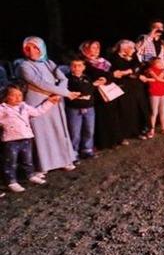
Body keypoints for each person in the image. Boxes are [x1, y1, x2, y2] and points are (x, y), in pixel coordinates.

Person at [15, 37, 79, 174]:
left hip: (55, 100)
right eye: (28, 48)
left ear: (41, 49)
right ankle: (44, 164)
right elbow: (39, 83)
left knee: (58, 129)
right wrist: (66, 93)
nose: (31, 51)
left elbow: (63, 78)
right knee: (42, 132)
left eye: (35, 47)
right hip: (37, 101)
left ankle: (63, 159)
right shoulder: (24, 66)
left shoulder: (49, 63)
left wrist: (60, 93)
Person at [1, 85, 61, 192]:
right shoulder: (3, 109)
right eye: (13, 95)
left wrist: (49, 102)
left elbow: (37, 112)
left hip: (26, 137)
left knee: (27, 159)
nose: (18, 98)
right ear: (6, 97)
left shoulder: (24, 106)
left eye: (20, 95)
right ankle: (11, 181)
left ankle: (30, 175)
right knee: (11, 162)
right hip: (11, 140)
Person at [80, 40, 126, 149]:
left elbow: (112, 74)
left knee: (113, 115)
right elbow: (97, 75)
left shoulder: (104, 62)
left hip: (110, 91)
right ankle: (104, 142)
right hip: (98, 94)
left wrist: (109, 76)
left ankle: (116, 138)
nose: (96, 50)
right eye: (93, 48)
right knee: (102, 118)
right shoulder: (85, 63)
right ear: (86, 50)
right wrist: (110, 75)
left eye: (98, 48)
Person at [111, 39, 151, 138]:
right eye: (131, 48)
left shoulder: (133, 56)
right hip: (125, 87)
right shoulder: (114, 57)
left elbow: (138, 68)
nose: (134, 50)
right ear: (124, 49)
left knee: (139, 108)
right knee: (128, 110)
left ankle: (140, 130)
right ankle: (126, 133)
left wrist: (129, 71)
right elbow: (117, 72)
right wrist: (130, 71)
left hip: (136, 85)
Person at [65, 59, 96, 161]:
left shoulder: (87, 78)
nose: (77, 68)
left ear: (84, 67)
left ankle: (87, 150)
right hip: (74, 109)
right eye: (74, 66)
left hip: (89, 108)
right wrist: (82, 93)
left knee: (89, 130)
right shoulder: (67, 79)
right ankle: (74, 152)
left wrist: (81, 93)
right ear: (70, 67)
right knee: (74, 132)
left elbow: (90, 89)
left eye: (79, 65)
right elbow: (70, 92)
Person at [144, 57, 164, 137]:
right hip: (154, 93)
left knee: (162, 111)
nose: (161, 64)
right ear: (153, 63)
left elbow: (161, 78)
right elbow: (157, 78)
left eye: (161, 62)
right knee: (154, 112)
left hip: (163, 92)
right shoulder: (150, 70)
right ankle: (151, 130)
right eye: (159, 63)